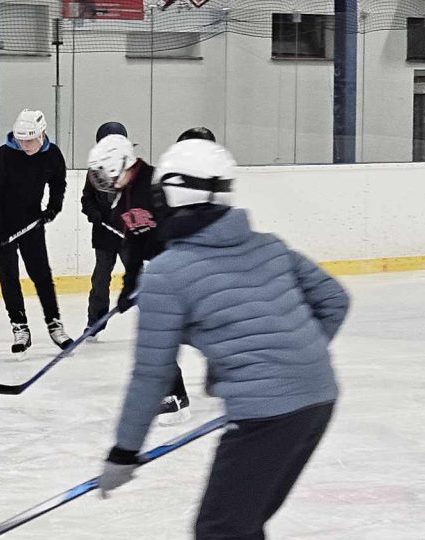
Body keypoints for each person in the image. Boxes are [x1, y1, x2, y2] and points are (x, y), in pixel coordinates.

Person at [98, 139, 350, 539]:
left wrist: (124, 451)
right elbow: (334, 300)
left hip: (268, 416)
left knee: (221, 531)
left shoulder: (166, 273)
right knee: (240, 526)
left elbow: (152, 374)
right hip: (317, 400)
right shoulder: (270, 247)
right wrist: (297, 361)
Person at [86, 133, 189, 420]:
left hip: (185, 267)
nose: (101, 180)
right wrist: (130, 282)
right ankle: (174, 394)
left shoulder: (159, 185)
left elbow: (183, 227)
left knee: (207, 329)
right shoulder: (123, 202)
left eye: (102, 172)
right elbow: (132, 243)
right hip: (161, 273)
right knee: (159, 333)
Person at [0, 108, 74, 355]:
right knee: (9, 276)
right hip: (3, 227)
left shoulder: (52, 155)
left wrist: (53, 208)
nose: (25, 145)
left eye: (30, 140)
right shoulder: (1, 157)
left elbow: (58, 182)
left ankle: (54, 323)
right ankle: (19, 326)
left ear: (42, 133)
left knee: (41, 274)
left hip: (32, 223)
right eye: (21, 139)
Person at [81, 122, 128, 341]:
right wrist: (94, 214)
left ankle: (158, 321)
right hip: (104, 235)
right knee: (100, 280)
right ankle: (95, 324)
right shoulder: (95, 171)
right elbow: (87, 199)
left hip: (129, 236)